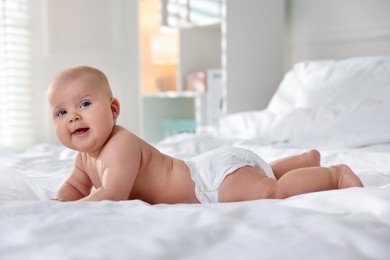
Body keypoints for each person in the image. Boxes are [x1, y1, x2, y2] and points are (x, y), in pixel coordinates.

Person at [47, 65, 364, 203]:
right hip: (212, 168)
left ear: (114, 109)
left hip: (209, 184)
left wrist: (77, 206)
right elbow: (75, 186)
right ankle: (301, 160)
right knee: (258, 174)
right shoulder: (83, 158)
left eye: (85, 104)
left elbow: (111, 195)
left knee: (272, 191)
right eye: (61, 112)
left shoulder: (120, 145)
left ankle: (332, 175)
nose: (73, 116)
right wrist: (61, 202)